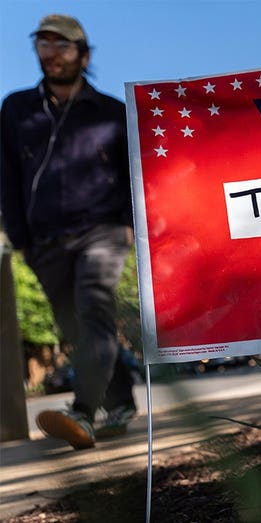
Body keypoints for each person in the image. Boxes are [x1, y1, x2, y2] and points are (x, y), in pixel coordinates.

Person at [0, 14, 137, 450]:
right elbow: (7, 176)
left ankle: (81, 413)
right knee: (74, 327)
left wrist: (132, 225)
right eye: (43, 44)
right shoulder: (16, 109)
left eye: (62, 45)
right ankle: (121, 403)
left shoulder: (113, 113)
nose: (51, 53)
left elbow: (134, 174)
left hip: (103, 231)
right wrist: (19, 237)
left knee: (93, 308)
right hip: (44, 241)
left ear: (83, 53)